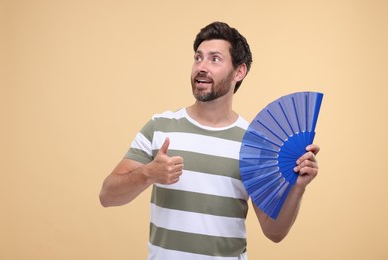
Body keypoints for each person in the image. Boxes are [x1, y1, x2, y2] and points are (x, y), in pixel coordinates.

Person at [99, 21, 320, 260]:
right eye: (198, 57)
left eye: (215, 59)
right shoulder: (160, 127)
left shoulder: (254, 144)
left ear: (239, 71)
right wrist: (148, 174)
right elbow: (107, 196)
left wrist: (297, 188)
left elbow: (273, 231)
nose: (201, 67)